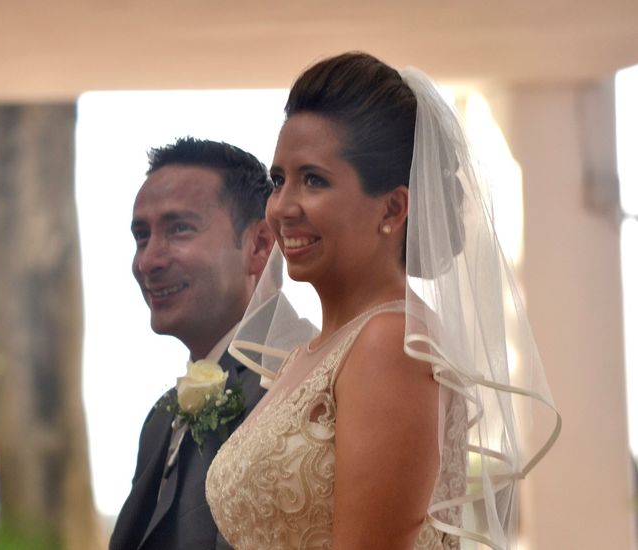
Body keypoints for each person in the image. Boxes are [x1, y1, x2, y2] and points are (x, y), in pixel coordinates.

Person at [206, 52, 560, 550]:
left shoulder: (390, 343)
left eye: (314, 180)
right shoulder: (311, 353)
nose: (283, 207)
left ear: (393, 207)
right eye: (279, 180)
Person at [109, 137, 278, 550]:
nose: (148, 261)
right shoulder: (159, 419)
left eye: (179, 229)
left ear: (258, 245)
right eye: (142, 236)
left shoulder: (289, 388)